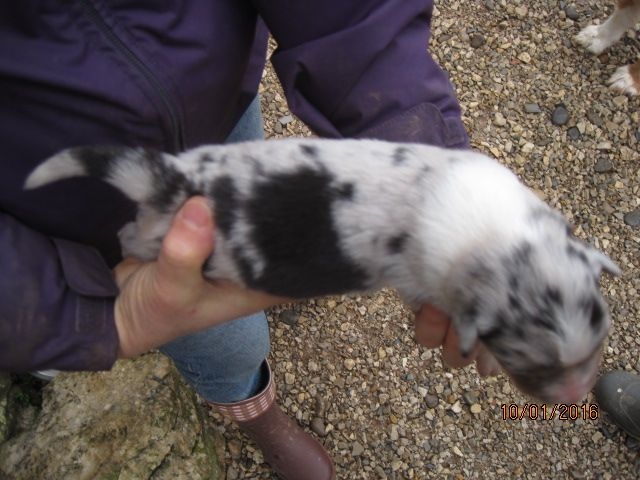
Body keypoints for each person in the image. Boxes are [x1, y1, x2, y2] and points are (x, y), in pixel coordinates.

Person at [0, 2, 497, 479]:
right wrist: (66, 311)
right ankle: (253, 407)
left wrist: (425, 168)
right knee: (232, 345)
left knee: (264, 201)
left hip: (216, 92)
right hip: (89, 223)